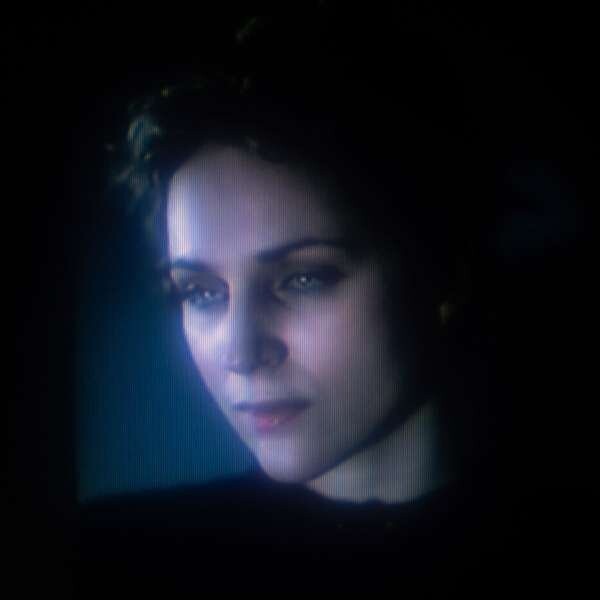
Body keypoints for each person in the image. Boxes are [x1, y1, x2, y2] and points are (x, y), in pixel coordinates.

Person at [76, 9, 593, 594]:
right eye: (200, 292)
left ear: (443, 270)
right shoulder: (114, 560)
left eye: (304, 279)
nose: (239, 352)